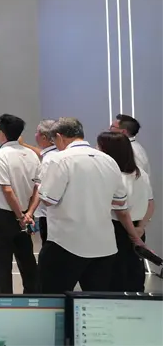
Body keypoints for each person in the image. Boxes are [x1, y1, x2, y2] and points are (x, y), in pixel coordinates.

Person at [38, 118, 143, 294]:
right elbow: (119, 201)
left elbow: (48, 200)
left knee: (54, 298)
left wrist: (40, 186)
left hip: (66, 243)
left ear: (59, 137)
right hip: (104, 245)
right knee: (96, 300)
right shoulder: (109, 161)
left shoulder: (59, 159)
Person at [0, 114, 40, 294]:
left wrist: (19, 217)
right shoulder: (31, 154)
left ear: (2, 133)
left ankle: (5, 298)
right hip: (26, 213)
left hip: (6, 216)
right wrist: (29, 214)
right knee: (26, 257)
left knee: (2, 261)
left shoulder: (1, 155)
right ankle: (32, 295)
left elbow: (7, 189)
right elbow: (37, 187)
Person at [98, 131, 155, 292]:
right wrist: (140, 228)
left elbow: (121, 212)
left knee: (116, 274)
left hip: (118, 229)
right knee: (134, 271)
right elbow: (151, 204)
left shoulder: (113, 176)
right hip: (137, 228)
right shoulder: (141, 173)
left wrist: (134, 235)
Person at [22, 119, 59, 243]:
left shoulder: (48, 160)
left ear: (43, 137)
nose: (35, 135)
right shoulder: (58, 153)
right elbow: (42, 153)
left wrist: (30, 212)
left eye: (36, 132)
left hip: (48, 215)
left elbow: (41, 188)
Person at [111, 114, 151, 178]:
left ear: (123, 131)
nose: (109, 129)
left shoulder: (132, 151)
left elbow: (135, 178)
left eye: (112, 126)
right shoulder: (130, 147)